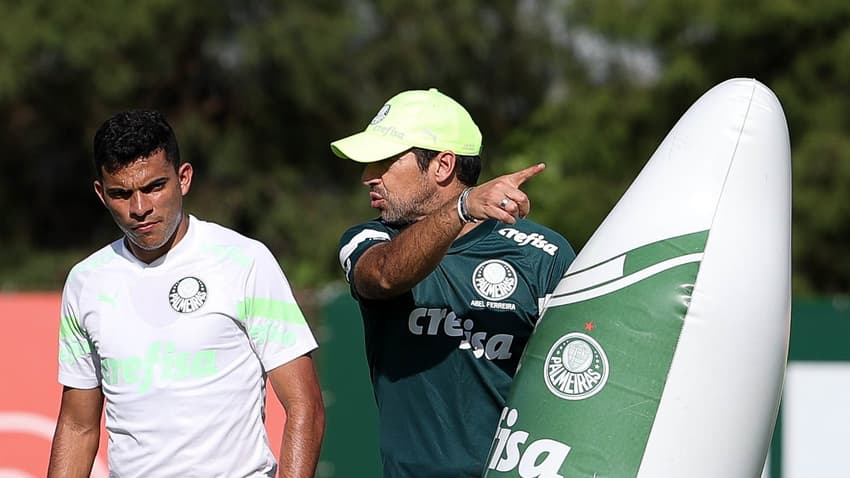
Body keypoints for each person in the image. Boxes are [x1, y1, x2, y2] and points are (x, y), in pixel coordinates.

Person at [48, 110, 325, 477]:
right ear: (101, 194)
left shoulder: (244, 260)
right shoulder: (86, 282)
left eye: (154, 187)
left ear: (184, 179)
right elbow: (77, 426)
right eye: (121, 194)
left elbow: (305, 406)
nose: (140, 208)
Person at [332, 88, 576, 477]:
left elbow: (576, 377)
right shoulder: (368, 242)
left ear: (443, 166)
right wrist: (461, 209)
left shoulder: (542, 254)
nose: (368, 177)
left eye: (383, 161)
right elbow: (383, 276)